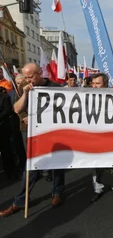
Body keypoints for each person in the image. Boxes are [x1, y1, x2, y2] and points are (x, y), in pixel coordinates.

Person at [0, 63, 65, 218]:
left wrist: (40, 117)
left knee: (57, 164)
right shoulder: (24, 86)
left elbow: (63, 110)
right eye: (26, 77)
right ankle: (20, 200)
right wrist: (25, 94)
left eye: (31, 76)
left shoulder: (55, 87)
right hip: (34, 135)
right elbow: (16, 109)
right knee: (31, 168)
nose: (29, 80)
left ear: (40, 73)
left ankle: (57, 192)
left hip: (53, 132)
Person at [90, 73, 113, 203]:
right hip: (95, 135)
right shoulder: (86, 96)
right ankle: (97, 189)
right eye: (93, 83)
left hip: (112, 135)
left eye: (97, 83)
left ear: (105, 84)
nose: (94, 86)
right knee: (96, 163)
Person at [0, 86, 17, 180]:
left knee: (7, 152)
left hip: (3, 129)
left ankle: (11, 172)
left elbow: (7, 110)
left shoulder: (4, 97)